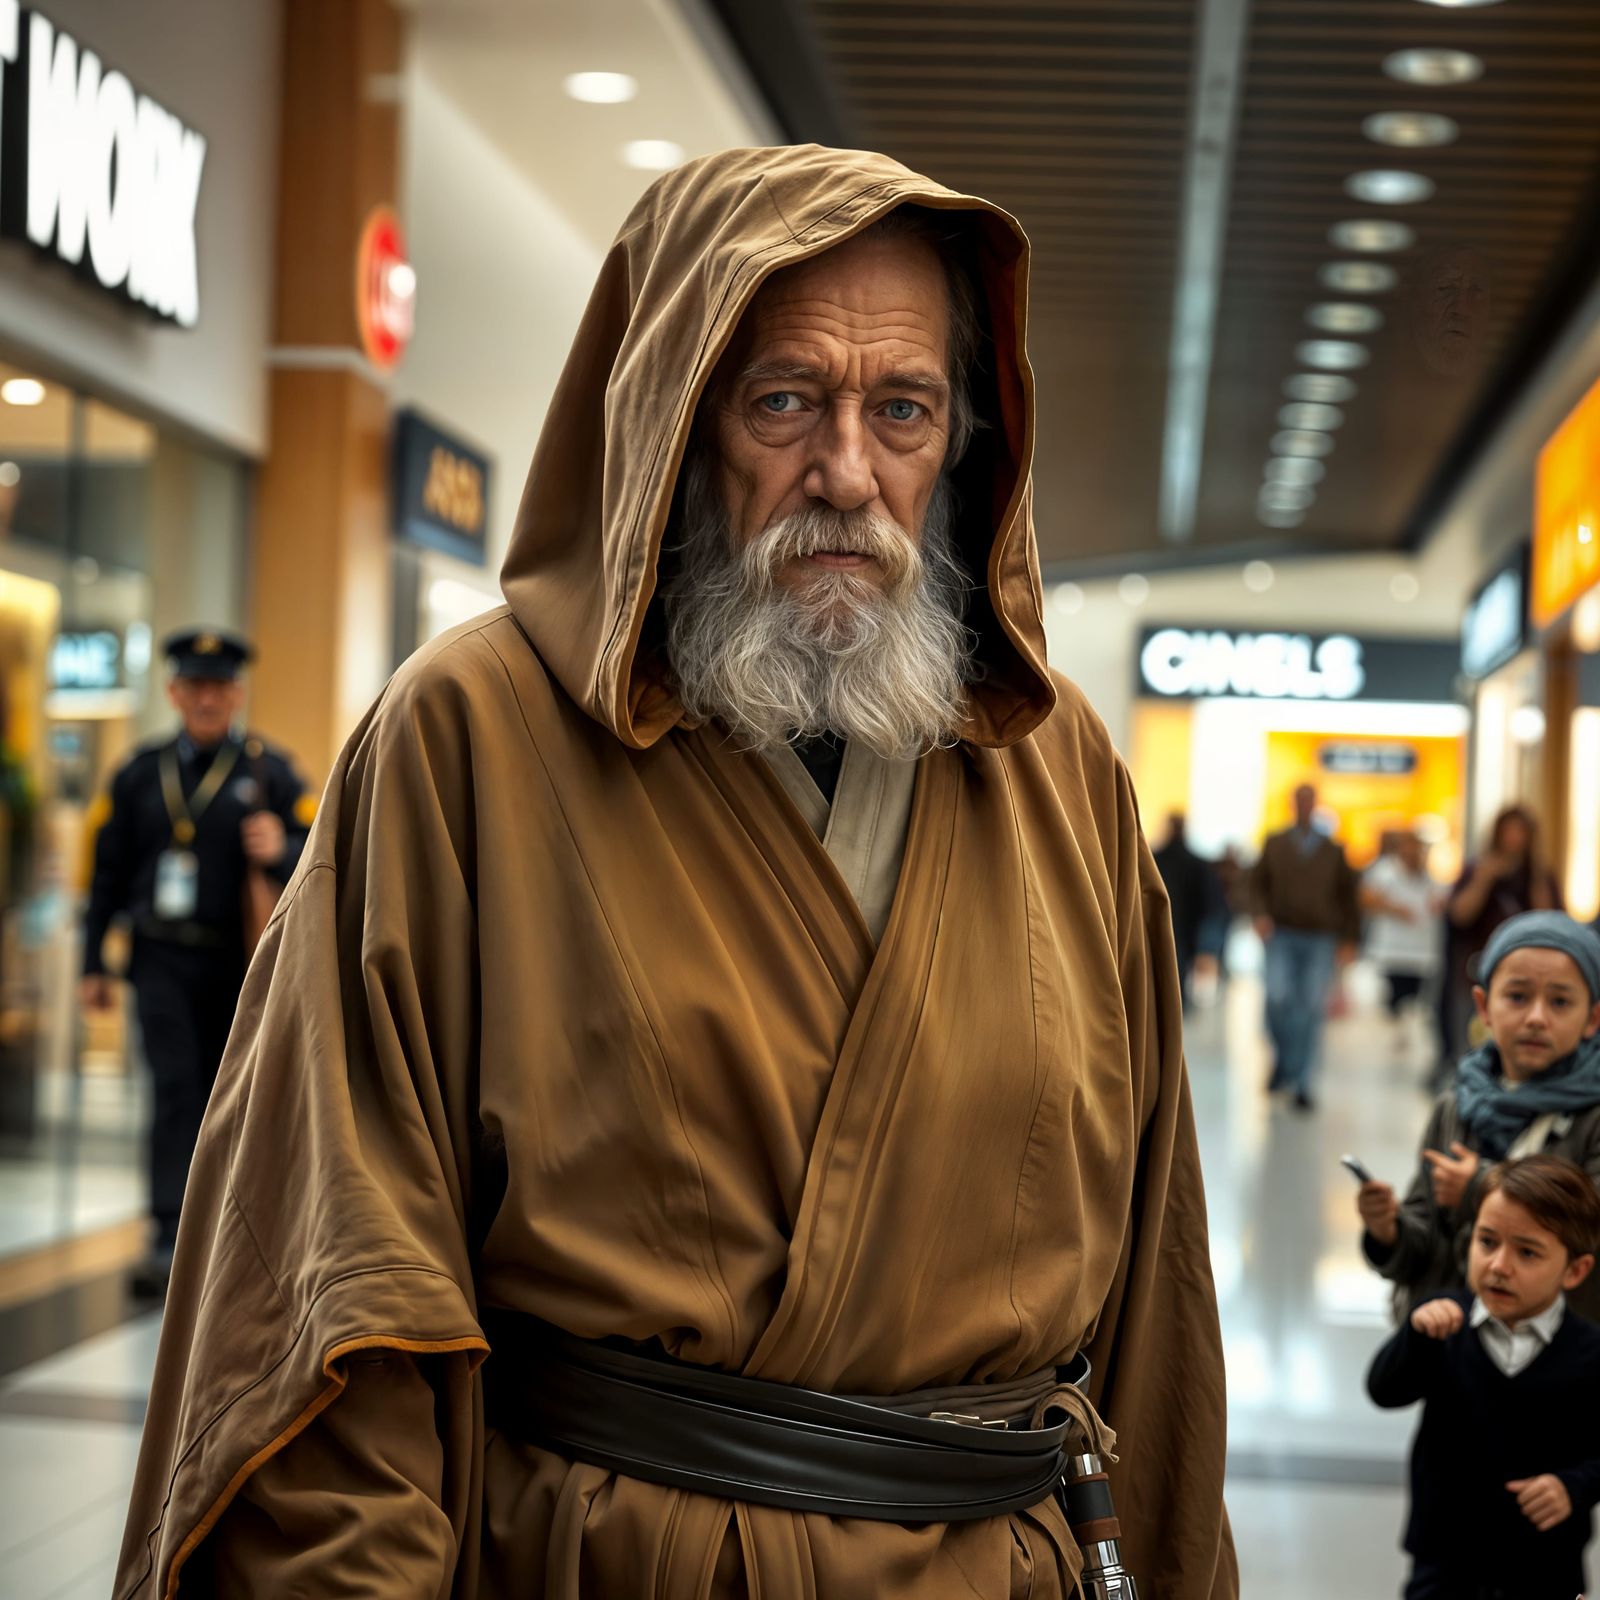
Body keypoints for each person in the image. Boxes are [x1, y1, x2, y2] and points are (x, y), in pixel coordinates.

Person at [113, 147, 1236, 1600]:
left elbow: (1155, 1296)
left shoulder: (1058, 765)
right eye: (784, 402)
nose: (846, 471)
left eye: (903, 409)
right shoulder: (468, 733)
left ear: (962, 442)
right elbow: (339, 1301)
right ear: (669, 419)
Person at [79, 629, 312, 1296]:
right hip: (158, 960)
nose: (208, 698)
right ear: (174, 692)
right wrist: (93, 961)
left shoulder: (270, 771)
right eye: (195, 686)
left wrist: (283, 845)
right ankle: (167, 1231)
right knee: (175, 1088)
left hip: (234, 965)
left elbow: (322, 849)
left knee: (229, 1093)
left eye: (220, 687)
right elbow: (107, 874)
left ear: (237, 694)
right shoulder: (137, 772)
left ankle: (228, 1235)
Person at [1366, 1154, 1600, 1600]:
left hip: (1546, 1567)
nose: (1498, 1265)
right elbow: (1383, 1390)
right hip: (1442, 1563)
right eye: (1486, 1241)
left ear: (1575, 1270)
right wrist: (1414, 1338)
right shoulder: (1440, 1323)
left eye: (1527, 1252)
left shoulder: (1590, 1351)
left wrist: (1575, 1485)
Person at [1358, 911, 1600, 1323]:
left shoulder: (1592, 1117)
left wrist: (1480, 1188)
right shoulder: (1457, 1103)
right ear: (1484, 1007)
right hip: (1451, 1346)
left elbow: (1590, 1230)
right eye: (1518, 997)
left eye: (1560, 1002)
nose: (1537, 1017)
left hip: (1555, 1354)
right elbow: (1427, 1230)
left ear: (1592, 1019)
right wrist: (1389, 1231)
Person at [1249, 783, 1360, 1110]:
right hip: (1281, 932)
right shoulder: (1275, 843)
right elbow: (1255, 885)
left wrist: (1349, 939)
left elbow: (1348, 898)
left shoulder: (1332, 849)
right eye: (1299, 801)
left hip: (1320, 937)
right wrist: (1259, 914)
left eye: (1309, 801)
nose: (1304, 806)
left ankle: (1302, 1079)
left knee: (1311, 1006)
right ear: (1292, 804)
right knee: (1277, 997)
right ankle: (1283, 1061)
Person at [1439, 804, 1561, 1089]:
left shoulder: (1540, 876)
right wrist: (1485, 878)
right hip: (1476, 969)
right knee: (1470, 1042)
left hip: (1529, 975)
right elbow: (1459, 914)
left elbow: (1552, 921)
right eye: (1508, 832)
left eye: (1520, 832)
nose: (1514, 839)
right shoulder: (1477, 869)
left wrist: (1535, 880)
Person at [1361, 831, 1443, 1053]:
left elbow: (1439, 901)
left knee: (1413, 994)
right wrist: (1395, 909)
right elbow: (1367, 898)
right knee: (1394, 992)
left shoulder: (1428, 877)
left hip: (1420, 948)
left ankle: (1403, 1029)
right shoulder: (1385, 871)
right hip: (1392, 947)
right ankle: (1397, 1026)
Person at [1152, 811, 1221, 1009]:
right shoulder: (1196, 863)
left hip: (1168, 924)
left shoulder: (1156, 859)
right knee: (1177, 969)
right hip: (1184, 927)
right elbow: (1209, 902)